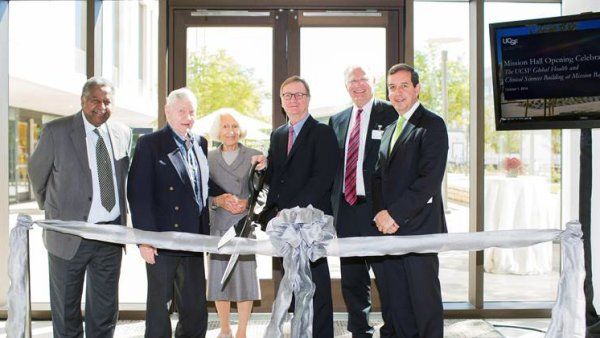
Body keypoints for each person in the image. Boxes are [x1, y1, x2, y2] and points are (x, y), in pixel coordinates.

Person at [28, 77, 132, 338]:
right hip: (68, 235)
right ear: (83, 101)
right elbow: (37, 174)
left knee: (105, 311)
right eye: (95, 100)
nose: (101, 106)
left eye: (107, 101)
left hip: (110, 236)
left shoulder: (122, 133)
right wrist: (54, 211)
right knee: (66, 310)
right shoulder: (56, 131)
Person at [127, 87, 233, 338]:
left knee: (195, 307)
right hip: (162, 240)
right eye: (181, 111)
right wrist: (145, 240)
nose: (188, 116)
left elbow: (201, 182)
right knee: (159, 307)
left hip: (195, 239)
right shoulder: (149, 144)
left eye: (192, 111)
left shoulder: (199, 142)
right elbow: (138, 194)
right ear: (167, 111)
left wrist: (224, 197)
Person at [253, 75, 339, 338]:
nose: (293, 100)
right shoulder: (278, 135)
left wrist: (292, 212)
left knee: (316, 283)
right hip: (284, 224)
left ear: (308, 99)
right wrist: (263, 169)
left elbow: (322, 178)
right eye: (287, 95)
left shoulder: (323, 132)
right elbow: (278, 176)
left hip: (310, 223)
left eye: (299, 95)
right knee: (290, 281)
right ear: (281, 101)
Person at [372, 63, 449, 338]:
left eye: (404, 85)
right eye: (392, 87)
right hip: (389, 232)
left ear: (417, 89)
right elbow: (378, 178)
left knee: (423, 305)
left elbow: (428, 181)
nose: (398, 92)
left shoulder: (433, 125)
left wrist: (393, 215)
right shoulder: (391, 127)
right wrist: (380, 213)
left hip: (419, 231)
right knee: (397, 304)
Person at [328, 65, 397, 338]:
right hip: (347, 210)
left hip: (379, 211)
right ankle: (360, 331)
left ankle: (392, 330)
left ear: (374, 82)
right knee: (353, 280)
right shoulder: (338, 120)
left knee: (387, 278)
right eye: (352, 81)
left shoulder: (391, 113)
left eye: (363, 79)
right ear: (346, 86)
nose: (358, 85)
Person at [206, 109, 262, 338]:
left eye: (234, 127)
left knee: (245, 279)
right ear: (218, 131)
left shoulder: (255, 155)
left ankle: (242, 331)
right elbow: (199, 193)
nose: (231, 131)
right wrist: (218, 200)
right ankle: (225, 328)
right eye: (226, 127)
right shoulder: (207, 157)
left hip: (244, 226)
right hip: (219, 224)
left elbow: (265, 191)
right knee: (220, 279)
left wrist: (248, 202)